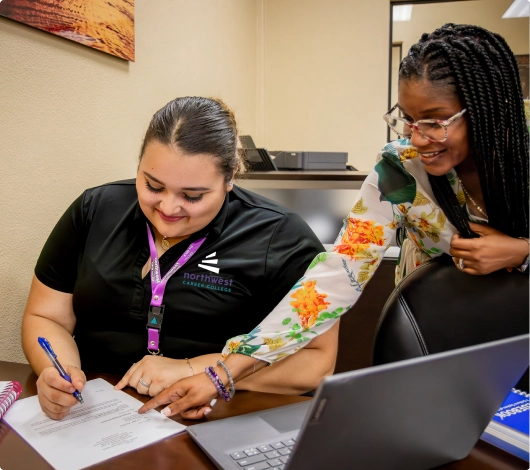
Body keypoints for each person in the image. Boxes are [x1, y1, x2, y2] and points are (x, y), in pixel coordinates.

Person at [139, 24, 529, 419]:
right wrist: (226, 370)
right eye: (408, 119)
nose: (417, 138)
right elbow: (338, 273)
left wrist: (523, 251)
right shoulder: (401, 168)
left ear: (484, 109)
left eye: (434, 121)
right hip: (439, 322)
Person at [22, 96, 339, 420]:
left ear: (230, 177)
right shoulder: (95, 209)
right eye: (153, 185)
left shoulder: (281, 236)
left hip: (216, 415)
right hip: (94, 415)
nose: (168, 209)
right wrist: (59, 372)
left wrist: (197, 371)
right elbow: (47, 318)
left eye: (192, 196)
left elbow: (316, 361)